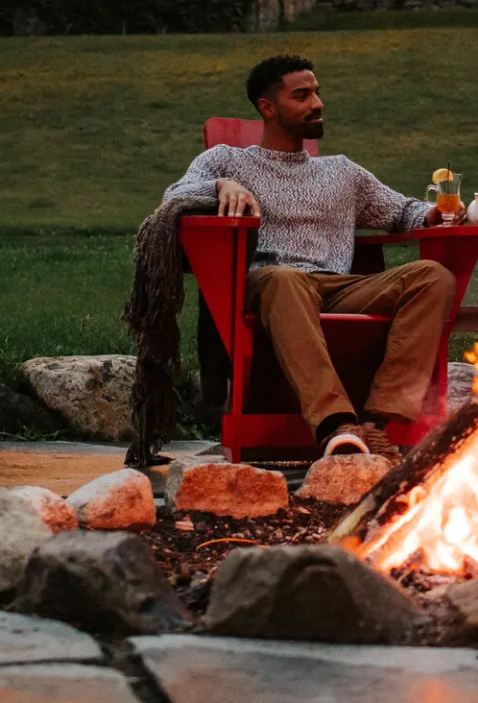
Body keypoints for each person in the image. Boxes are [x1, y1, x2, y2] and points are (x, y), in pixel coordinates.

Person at [164, 54, 456, 462]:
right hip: (267, 283)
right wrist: (219, 186)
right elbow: (173, 198)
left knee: (433, 277)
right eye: (302, 95)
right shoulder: (227, 160)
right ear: (268, 107)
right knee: (286, 279)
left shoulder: (342, 172)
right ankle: (336, 424)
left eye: (317, 93)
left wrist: (435, 214)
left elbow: (401, 211)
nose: (316, 103)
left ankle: (377, 422)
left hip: (335, 286)